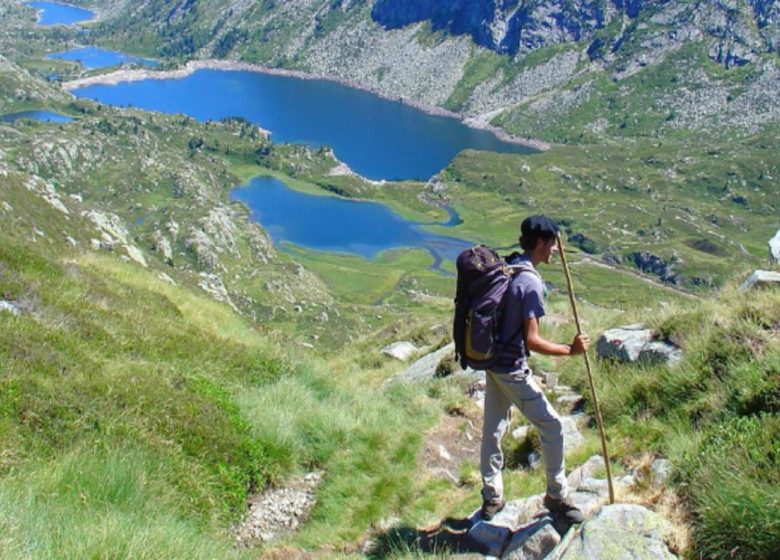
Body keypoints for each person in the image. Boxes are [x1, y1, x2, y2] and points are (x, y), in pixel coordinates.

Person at [480, 215, 590, 524]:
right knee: (552, 426)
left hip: (492, 365)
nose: (555, 250)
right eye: (552, 244)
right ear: (540, 244)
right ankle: (556, 495)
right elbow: (532, 339)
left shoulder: (511, 266)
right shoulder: (530, 282)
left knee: (493, 430)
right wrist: (571, 350)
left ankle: (492, 496)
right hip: (512, 369)